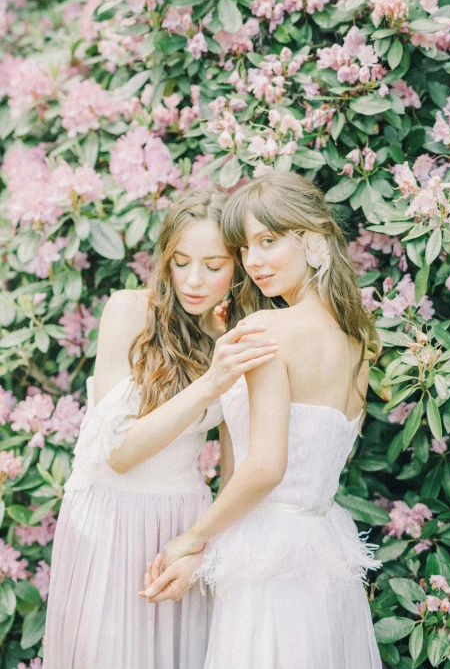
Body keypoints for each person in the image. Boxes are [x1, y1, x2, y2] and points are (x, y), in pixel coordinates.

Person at [142, 172, 383, 669]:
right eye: (246, 247)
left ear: (313, 237)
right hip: (322, 548)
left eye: (268, 241)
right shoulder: (361, 343)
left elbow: (267, 466)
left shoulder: (267, 329)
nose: (253, 262)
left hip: (267, 554)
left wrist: (191, 539)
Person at [42, 188, 278, 669]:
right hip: (109, 516)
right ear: (165, 260)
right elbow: (120, 454)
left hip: (182, 523)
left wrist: (202, 550)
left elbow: (234, 474)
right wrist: (213, 381)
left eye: (214, 267)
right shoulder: (128, 311)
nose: (194, 280)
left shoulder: (236, 335)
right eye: (181, 262)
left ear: (238, 266)